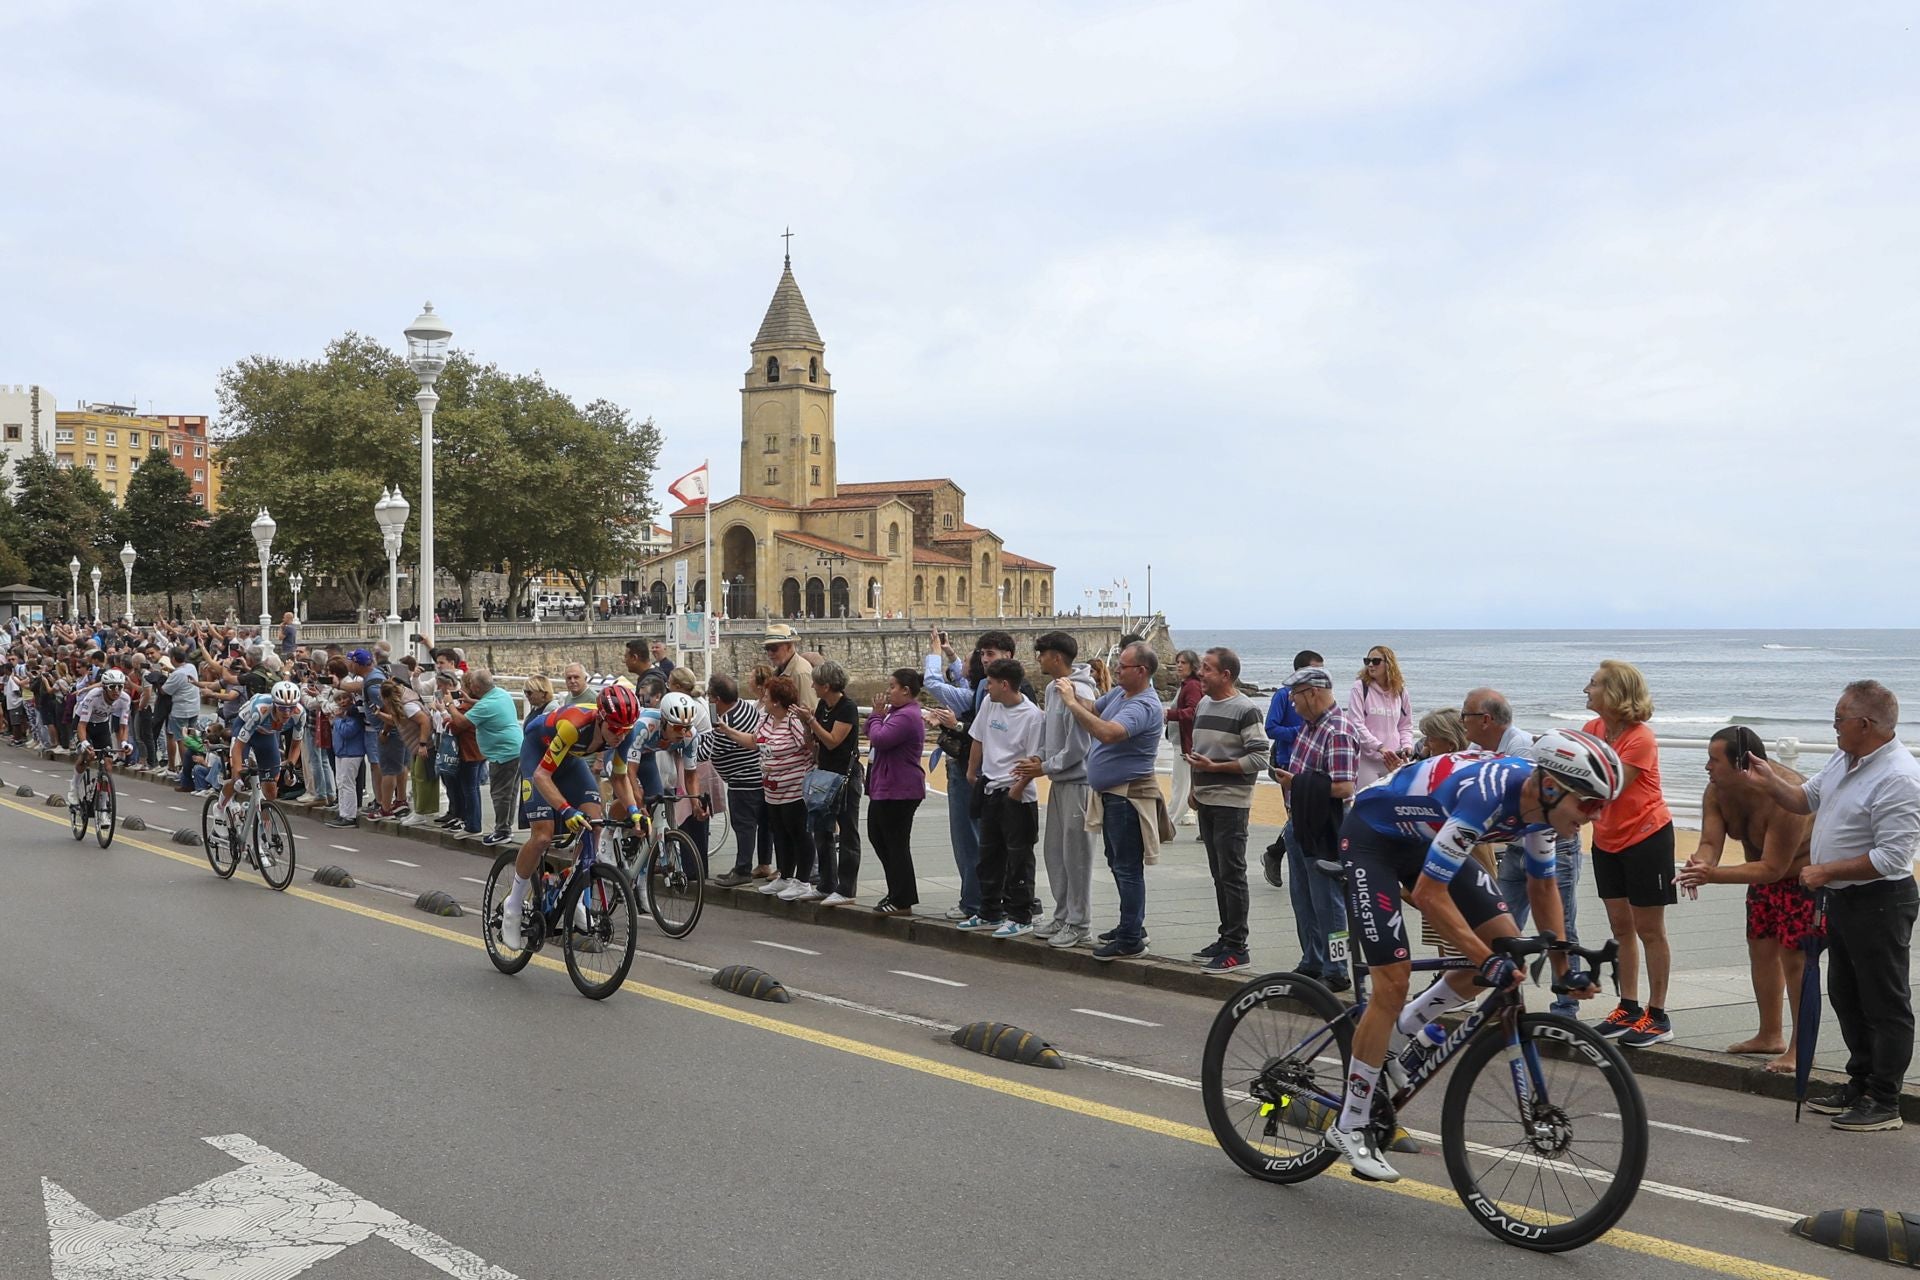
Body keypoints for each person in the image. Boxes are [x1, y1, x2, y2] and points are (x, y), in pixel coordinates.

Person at [1320, 730, 1621, 1182]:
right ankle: (1352, 1123)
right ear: (1553, 787)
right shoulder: (1487, 796)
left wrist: (1564, 970)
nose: (1593, 817)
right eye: (1589, 805)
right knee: (1394, 981)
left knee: (1508, 955)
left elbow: (1543, 888)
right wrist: (1483, 959)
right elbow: (1429, 895)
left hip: (1426, 838)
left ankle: (1400, 1036)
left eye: (1601, 807)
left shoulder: (1542, 813)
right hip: (1372, 838)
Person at [1741, 680, 1920, 1133]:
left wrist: (1827, 870)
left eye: (1839, 719)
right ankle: (1858, 1083)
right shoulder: (1847, 757)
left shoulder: (1898, 777)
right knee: (1845, 993)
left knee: (1883, 1000)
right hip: (1840, 897)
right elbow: (1806, 798)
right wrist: (1770, 780)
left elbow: (1892, 858)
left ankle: (1885, 1099)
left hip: (1879, 901)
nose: (1834, 726)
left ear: (1865, 724)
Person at [1676, 727, 1815, 1073]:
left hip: (1801, 878)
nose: (1707, 766)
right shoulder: (1717, 791)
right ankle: (1770, 1035)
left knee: (1795, 961)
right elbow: (1710, 842)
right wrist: (1701, 864)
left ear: (1743, 764)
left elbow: (1773, 867)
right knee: (1761, 950)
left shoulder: (1787, 796)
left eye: (1713, 759)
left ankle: (1800, 1047)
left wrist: (1713, 876)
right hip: (1760, 878)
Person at [498, 683, 644, 951]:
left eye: (625, 731)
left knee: (594, 821)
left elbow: (619, 776)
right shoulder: (573, 725)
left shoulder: (624, 729)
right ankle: (514, 905)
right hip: (537, 757)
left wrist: (634, 812)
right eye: (614, 730)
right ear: (601, 719)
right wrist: (566, 809)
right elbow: (542, 775)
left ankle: (574, 895)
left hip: (568, 760)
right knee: (543, 835)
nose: (620, 737)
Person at [1583, 660, 1678, 1048]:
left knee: (1649, 929)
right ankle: (1629, 1007)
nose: (1586, 689)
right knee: (1621, 927)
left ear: (1614, 692)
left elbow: (1608, 784)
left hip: (1647, 837)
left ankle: (1658, 1015)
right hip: (1606, 839)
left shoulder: (1641, 738)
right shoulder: (1592, 729)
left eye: (1593, 684)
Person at [1054, 641, 1165, 961]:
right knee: (1118, 863)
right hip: (1110, 794)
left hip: (1128, 797)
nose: (1116, 669)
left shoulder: (1144, 705)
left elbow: (1107, 733)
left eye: (1123, 666)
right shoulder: (1120, 694)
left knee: (1127, 867)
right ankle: (1131, 925)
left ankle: (1131, 937)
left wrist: (1072, 705)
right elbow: (1096, 711)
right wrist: (1075, 696)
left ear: (1141, 671)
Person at [1180, 647, 1271, 973]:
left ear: (1225, 675)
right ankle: (1225, 937)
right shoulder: (1204, 703)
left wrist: (1216, 768)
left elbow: (1260, 758)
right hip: (1206, 800)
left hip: (1231, 803)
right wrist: (1194, 788)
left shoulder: (1246, 709)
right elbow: (1200, 752)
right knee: (1219, 875)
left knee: (1232, 875)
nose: (1200, 673)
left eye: (1206, 668)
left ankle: (1237, 947)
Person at [925, 628, 1020, 922]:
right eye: (980, 655)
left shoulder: (991, 691)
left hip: (978, 772)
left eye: (988, 654)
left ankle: (976, 902)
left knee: (972, 839)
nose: (981, 660)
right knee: (978, 839)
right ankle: (981, 901)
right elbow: (966, 681)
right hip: (978, 771)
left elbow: (932, 681)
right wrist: (952, 655)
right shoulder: (983, 687)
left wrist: (934, 653)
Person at [1272, 666, 1358, 991]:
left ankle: (1336, 968)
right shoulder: (1309, 727)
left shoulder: (1337, 730)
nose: (1291, 702)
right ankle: (1312, 959)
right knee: (1302, 898)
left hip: (1325, 827)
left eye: (1295, 696)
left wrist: (1297, 783)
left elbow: (1344, 788)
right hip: (1300, 822)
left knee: (1329, 902)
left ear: (1312, 693)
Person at [1016, 631, 1098, 949]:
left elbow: (1079, 746)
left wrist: (1045, 767)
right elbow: (1049, 731)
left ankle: (1081, 923)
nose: (1038, 659)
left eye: (1042, 653)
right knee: (1056, 854)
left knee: (1078, 856)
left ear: (1057, 657)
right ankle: (1064, 914)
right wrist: (1039, 757)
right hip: (1060, 782)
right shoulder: (1053, 689)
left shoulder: (1078, 690)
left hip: (1079, 783)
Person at [962, 657, 1046, 937]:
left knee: (1019, 857)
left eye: (991, 684)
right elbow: (978, 738)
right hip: (989, 788)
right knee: (988, 855)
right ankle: (989, 912)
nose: (986, 689)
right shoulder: (989, 704)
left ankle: (1021, 915)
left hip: (1016, 796)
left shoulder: (1032, 716)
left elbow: (1034, 760)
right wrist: (972, 773)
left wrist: (1016, 791)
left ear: (1005, 684)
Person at [795, 660, 863, 905]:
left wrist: (812, 722)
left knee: (847, 831)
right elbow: (813, 742)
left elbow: (834, 740)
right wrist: (807, 723)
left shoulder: (847, 708)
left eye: (815, 683)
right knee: (821, 830)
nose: (811, 686)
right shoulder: (823, 705)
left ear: (826, 685)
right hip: (824, 774)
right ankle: (826, 883)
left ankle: (846, 888)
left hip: (845, 777)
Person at [866, 668, 928, 915]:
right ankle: (896, 891)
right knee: (879, 837)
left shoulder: (908, 716)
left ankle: (903, 898)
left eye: (892, 686)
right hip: (884, 787)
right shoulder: (895, 713)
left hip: (901, 789)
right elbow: (871, 734)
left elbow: (880, 738)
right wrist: (877, 717)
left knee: (896, 843)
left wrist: (875, 716)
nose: (888, 691)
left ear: (906, 690)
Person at [1259, 650, 1319, 888]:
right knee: (1296, 817)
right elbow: (1270, 728)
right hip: (1288, 762)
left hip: (1313, 764)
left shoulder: (1318, 698)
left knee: (1308, 816)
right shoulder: (1284, 696)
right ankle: (1278, 855)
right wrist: (1300, 734)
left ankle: (1278, 854)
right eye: (1316, 670)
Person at [704, 675, 767, 888]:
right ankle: (764, 864)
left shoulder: (726, 724)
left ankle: (743, 869)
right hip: (758, 777)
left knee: (744, 825)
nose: (708, 700)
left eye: (709, 696)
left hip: (743, 781)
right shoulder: (747, 708)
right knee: (763, 824)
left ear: (718, 699)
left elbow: (709, 751)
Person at [215, 680, 306, 821]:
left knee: (271, 789)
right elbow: (238, 746)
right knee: (238, 780)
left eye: (291, 708)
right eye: (282, 708)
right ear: (275, 705)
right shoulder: (261, 710)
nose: (287, 713)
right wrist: (238, 774)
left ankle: (265, 830)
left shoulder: (300, 714)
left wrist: (290, 767)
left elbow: (295, 745)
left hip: (266, 734)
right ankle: (220, 807)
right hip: (244, 728)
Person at [1348, 644, 1414, 790]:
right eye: (1367, 661)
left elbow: (1405, 725)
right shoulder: (1360, 688)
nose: (1371, 665)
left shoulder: (1400, 691)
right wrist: (1380, 747)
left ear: (1388, 664)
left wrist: (1407, 745)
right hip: (1367, 759)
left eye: (1376, 661)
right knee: (1366, 800)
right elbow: (1356, 724)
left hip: (1393, 759)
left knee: (1395, 801)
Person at [66, 667, 132, 808]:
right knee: (87, 755)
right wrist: (84, 742)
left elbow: (123, 726)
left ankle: (102, 803)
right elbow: (82, 725)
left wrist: (125, 743)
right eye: (112, 687)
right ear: (104, 687)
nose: (116, 691)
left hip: (102, 726)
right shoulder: (93, 696)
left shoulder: (125, 699)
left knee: (108, 765)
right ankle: (74, 787)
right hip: (83, 724)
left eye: (120, 687)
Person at [1164, 650, 1204, 829]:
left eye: (1184, 662)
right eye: (1178, 662)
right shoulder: (1186, 685)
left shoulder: (1192, 686)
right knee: (1186, 784)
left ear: (1193, 666)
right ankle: (1202, 825)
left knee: (1181, 785)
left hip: (1185, 743)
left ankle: (1168, 824)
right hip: (1182, 741)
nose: (1179, 665)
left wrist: (1169, 714)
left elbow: (1193, 711)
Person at [761, 624, 813, 689]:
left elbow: (807, 699)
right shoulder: (780, 670)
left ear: (789, 646)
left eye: (774, 648)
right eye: (767, 648)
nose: (769, 653)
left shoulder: (800, 674)